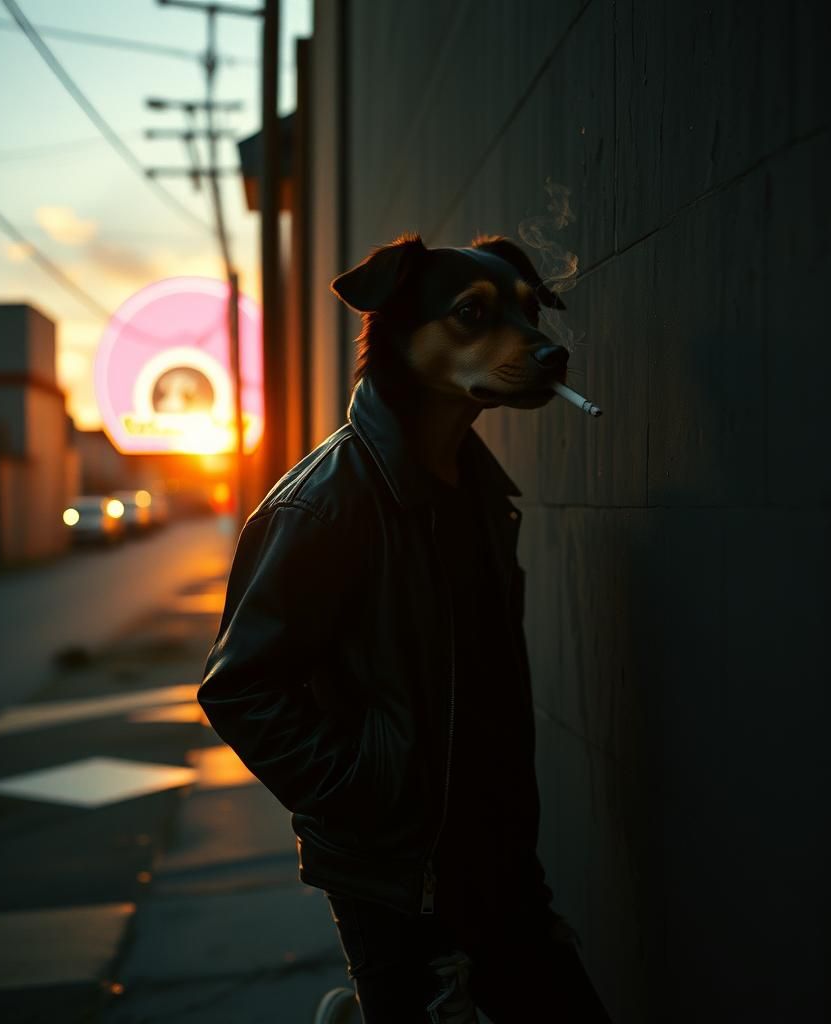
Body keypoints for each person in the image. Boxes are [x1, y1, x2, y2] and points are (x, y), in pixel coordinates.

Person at [199, 235, 612, 1022]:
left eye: (526, 316)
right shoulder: (324, 505)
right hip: (395, 882)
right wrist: (367, 799)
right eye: (472, 317)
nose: (535, 345)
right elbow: (240, 690)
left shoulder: (480, 491)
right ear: (397, 330)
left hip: (501, 858)